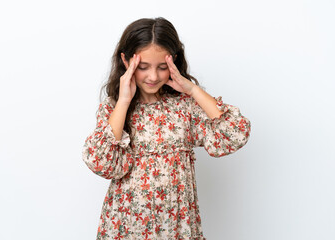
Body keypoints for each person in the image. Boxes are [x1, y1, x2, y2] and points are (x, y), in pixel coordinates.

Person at [82, 17, 251, 240]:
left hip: (177, 227)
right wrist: (123, 100)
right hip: (126, 225)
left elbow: (234, 134)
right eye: (143, 67)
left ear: (174, 62)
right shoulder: (114, 109)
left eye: (162, 67)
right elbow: (101, 162)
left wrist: (192, 90)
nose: (153, 76)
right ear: (125, 60)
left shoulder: (185, 107)